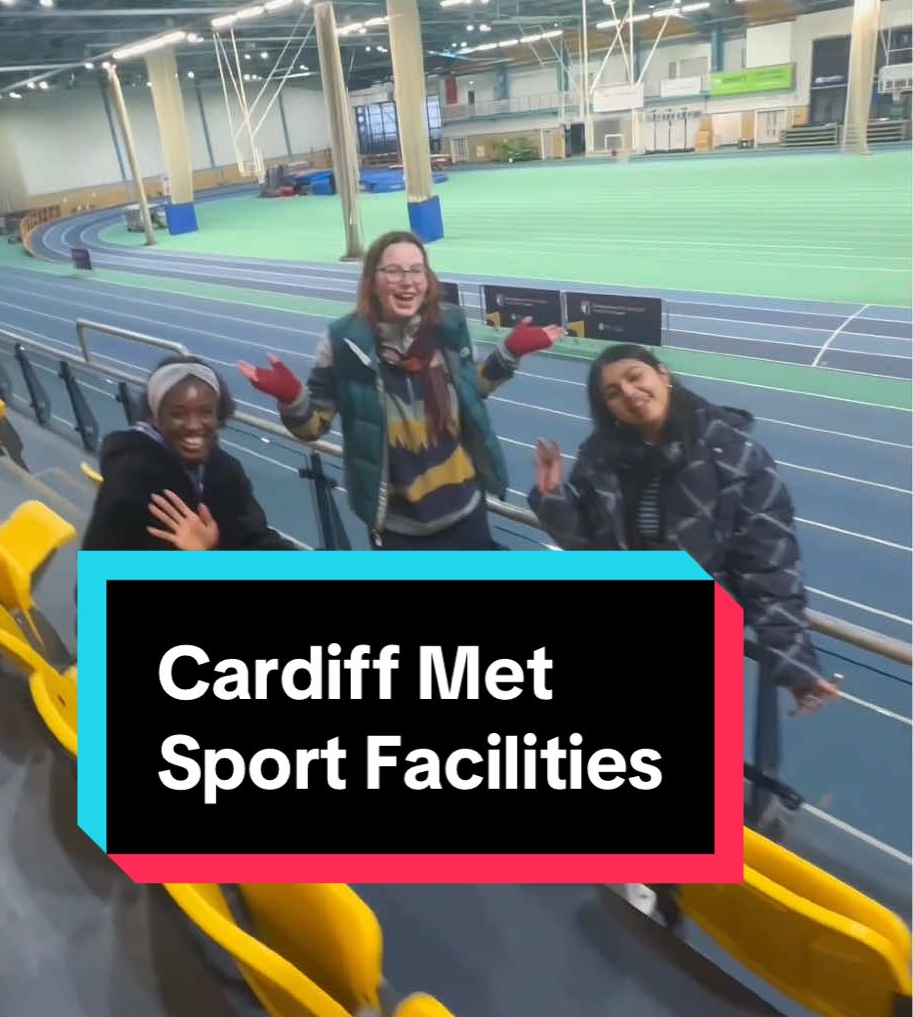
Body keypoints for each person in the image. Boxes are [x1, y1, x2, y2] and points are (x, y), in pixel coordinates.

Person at [530, 343, 839, 714]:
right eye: (612, 393)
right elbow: (591, 551)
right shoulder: (600, 458)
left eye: (634, 377)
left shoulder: (735, 455)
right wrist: (554, 499)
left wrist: (797, 667)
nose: (628, 393)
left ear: (662, 375)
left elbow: (769, 568)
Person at [239, 230, 564, 549]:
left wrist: (508, 354)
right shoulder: (342, 344)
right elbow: (313, 427)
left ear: (427, 279)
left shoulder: (449, 329)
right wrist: (292, 398)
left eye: (416, 270)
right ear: (372, 281)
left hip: (466, 515)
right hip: (397, 531)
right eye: (393, 271)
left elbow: (471, 392)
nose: (407, 281)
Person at [82, 355, 295, 552]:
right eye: (178, 414)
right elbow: (93, 588)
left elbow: (253, 539)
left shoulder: (225, 470)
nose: (194, 425)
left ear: (218, 415)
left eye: (205, 412)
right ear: (156, 418)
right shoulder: (132, 478)